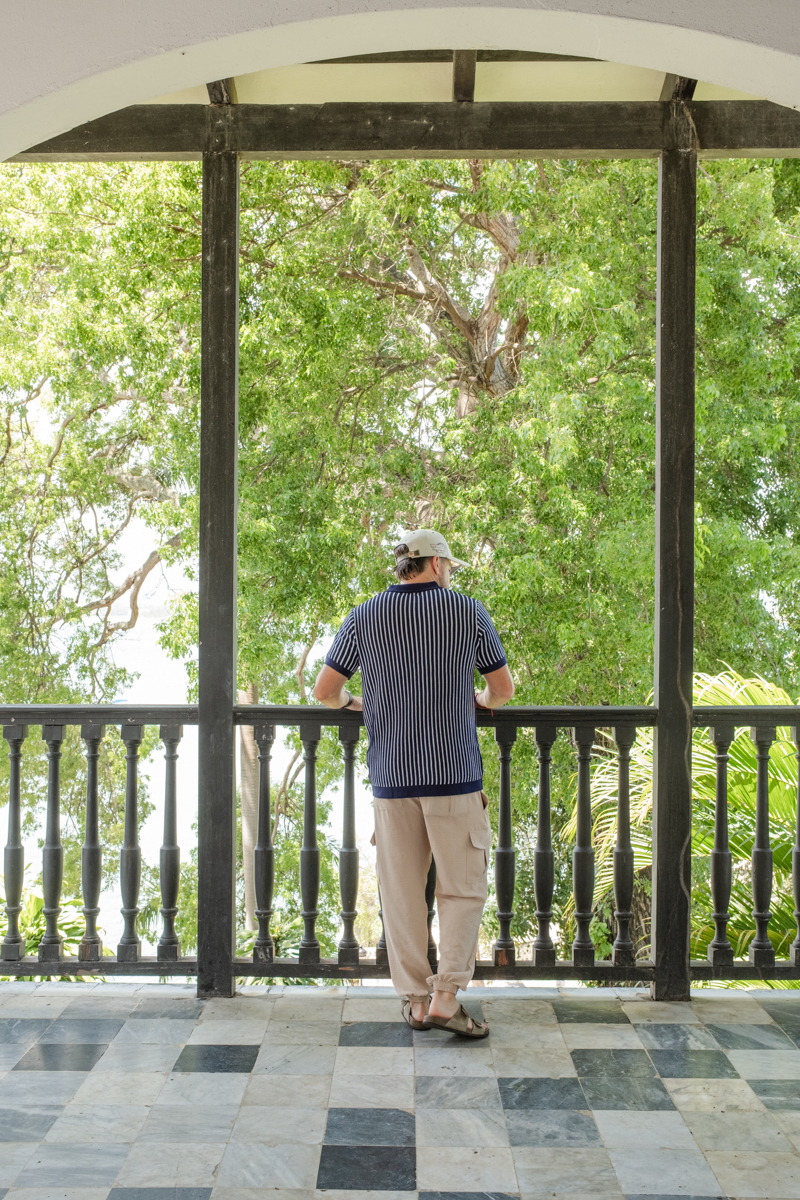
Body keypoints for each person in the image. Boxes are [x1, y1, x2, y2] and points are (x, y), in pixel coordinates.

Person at [313, 528, 514, 1037]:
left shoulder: (364, 615)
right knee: (462, 889)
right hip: (453, 776)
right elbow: (501, 690)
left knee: (401, 894)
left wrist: (358, 705)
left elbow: (325, 691)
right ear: (437, 564)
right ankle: (447, 995)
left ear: (402, 566)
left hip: (392, 778)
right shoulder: (467, 611)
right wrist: (477, 702)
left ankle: (417, 1003)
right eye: (449, 566)